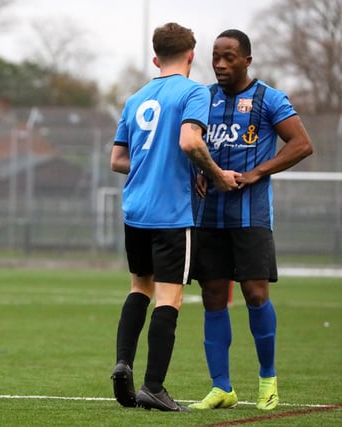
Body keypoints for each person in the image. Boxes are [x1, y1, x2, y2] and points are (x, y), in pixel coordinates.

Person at [109, 22, 241, 412]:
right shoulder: (193, 91)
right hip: (171, 212)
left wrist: (151, 165)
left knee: (139, 288)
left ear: (155, 58)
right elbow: (189, 140)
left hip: (135, 211)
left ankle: (122, 363)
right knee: (170, 297)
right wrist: (215, 175)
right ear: (190, 56)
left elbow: (117, 160)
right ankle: (153, 386)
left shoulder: (135, 99)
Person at [190, 29, 313, 411]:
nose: (220, 64)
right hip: (208, 216)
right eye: (215, 57)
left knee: (255, 294)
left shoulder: (268, 98)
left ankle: (267, 379)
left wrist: (259, 172)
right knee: (212, 297)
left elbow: (302, 144)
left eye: (228, 57)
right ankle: (221, 387)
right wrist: (197, 169)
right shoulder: (203, 99)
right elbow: (190, 145)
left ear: (247, 60)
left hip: (251, 217)